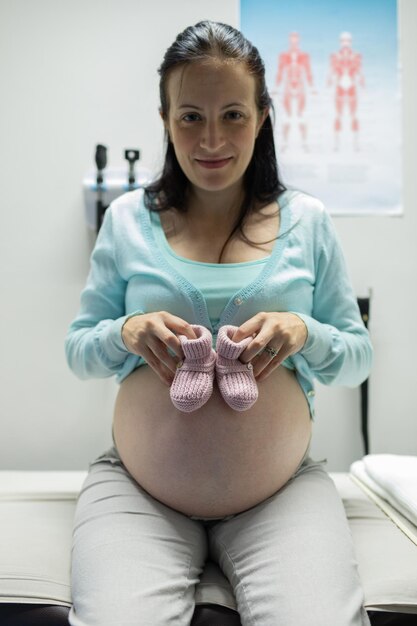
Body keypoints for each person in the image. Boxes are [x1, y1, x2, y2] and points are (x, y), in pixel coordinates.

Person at [65, 20, 373, 626]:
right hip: (139, 493)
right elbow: (78, 349)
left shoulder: (307, 223)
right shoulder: (127, 220)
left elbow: (358, 356)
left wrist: (304, 332)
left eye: (232, 114)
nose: (211, 139)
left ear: (262, 117)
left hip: (279, 495)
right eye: (190, 117)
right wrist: (123, 332)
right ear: (165, 119)